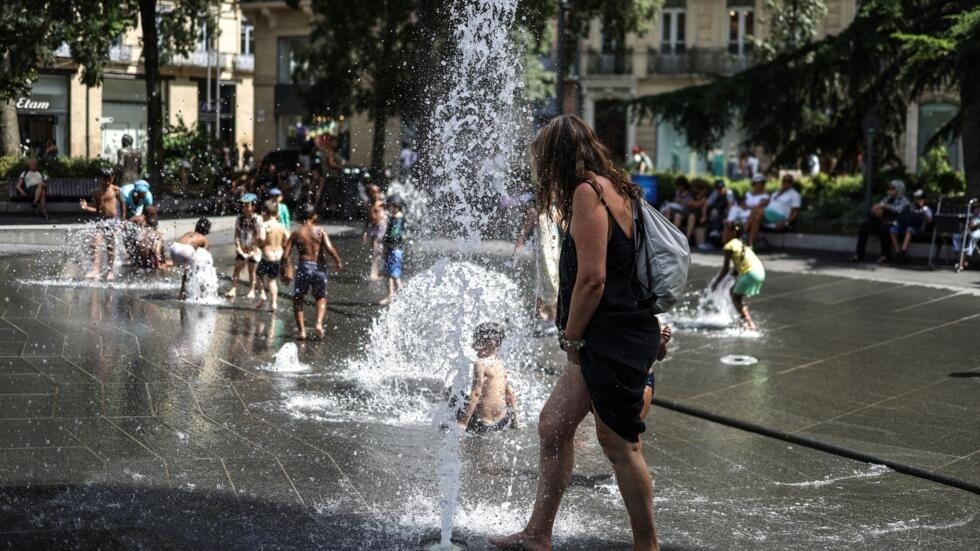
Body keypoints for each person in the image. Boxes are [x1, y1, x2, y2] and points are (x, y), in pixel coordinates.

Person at [490, 115, 662, 551]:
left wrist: (570, 337)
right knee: (553, 426)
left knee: (620, 443)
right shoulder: (615, 187)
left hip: (607, 338)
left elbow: (593, 280)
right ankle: (538, 534)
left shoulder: (589, 193)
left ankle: (648, 546)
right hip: (611, 336)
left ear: (555, 158)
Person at [282, 204, 343, 340]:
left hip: (304, 267)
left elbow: (285, 256)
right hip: (320, 268)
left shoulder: (296, 233)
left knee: (298, 299)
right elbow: (329, 248)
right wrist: (337, 261)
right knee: (320, 297)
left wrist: (284, 271)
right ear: (314, 216)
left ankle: (302, 331)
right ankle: (318, 324)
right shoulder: (320, 231)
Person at [456, 322, 520, 433]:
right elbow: (510, 394)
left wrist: (463, 423)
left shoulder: (480, 364)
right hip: (502, 421)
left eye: (476, 341)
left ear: (489, 345)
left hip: (484, 423)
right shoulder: (500, 364)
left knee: (455, 399)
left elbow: (476, 393)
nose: (473, 346)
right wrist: (516, 421)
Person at [711, 220, 765, 331]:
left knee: (735, 296)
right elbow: (736, 269)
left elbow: (725, 269)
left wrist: (716, 283)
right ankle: (744, 321)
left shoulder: (729, 246)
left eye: (725, 230)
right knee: (735, 294)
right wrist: (727, 281)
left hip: (750, 273)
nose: (723, 233)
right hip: (760, 271)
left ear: (732, 232)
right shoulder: (742, 243)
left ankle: (749, 324)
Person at [515, 198, 561, 329]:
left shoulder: (554, 211)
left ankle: (553, 314)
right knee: (542, 280)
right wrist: (520, 241)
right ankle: (543, 314)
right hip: (541, 252)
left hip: (552, 252)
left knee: (554, 280)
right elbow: (526, 228)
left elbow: (565, 225)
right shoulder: (536, 211)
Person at [79, 168, 124, 280]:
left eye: (109, 179)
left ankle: (110, 271)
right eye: (105, 180)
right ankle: (95, 270)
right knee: (95, 244)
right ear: (100, 179)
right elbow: (96, 209)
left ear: (112, 178)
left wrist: (122, 221)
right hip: (102, 221)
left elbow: (123, 205)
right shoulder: (96, 192)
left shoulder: (115, 190)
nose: (107, 182)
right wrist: (86, 208)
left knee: (110, 246)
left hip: (113, 221)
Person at [850, 179, 910, 263]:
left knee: (884, 227)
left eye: (893, 188)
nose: (890, 190)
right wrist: (876, 210)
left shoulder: (904, 201)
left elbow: (899, 210)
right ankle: (859, 254)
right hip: (881, 220)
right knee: (865, 225)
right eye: (890, 188)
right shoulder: (887, 199)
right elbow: (877, 207)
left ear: (899, 189)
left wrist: (886, 207)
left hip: (894, 223)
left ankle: (885, 255)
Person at [745, 173, 801, 247]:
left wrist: (786, 223)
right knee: (757, 218)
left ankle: (743, 233)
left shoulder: (795, 194)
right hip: (769, 214)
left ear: (792, 183)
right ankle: (750, 244)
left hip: (780, 216)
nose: (786, 183)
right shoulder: (776, 193)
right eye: (784, 180)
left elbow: (795, 212)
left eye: (788, 181)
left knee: (756, 210)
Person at [225, 194, 264, 299]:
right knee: (237, 268)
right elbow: (237, 234)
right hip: (242, 247)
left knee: (252, 271)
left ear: (254, 206)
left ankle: (251, 290)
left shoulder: (257, 219)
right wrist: (238, 246)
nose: (245, 208)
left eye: (247, 205)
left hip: (253, 249)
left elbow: (259, 236)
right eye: (243, 205)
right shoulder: (239, 218)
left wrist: (254, 250)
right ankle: (233, 289)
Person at [256, 200, 289, 312]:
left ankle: (262, 295)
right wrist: (282, 245)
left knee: (258, 275)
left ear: (265, 213)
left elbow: (261, 238)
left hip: (267, 257)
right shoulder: (281, 226)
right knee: (272, 281)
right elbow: (288, 239)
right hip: (277, 258)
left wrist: (259, 245)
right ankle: (273, 304)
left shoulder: (264, 225)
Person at [169, 218, 211, 300]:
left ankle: (182, 293)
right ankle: (202, 294)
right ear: (207, 230)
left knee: (189, 268)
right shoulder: (204, 239)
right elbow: (205, 257)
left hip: (174, 248)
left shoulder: (189, 233)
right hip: (186, 250)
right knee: (200, 268)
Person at [890, 189, 933, 263]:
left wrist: (923, 210)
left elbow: (929, 221)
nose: (917, 200)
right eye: (916, 198)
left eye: (919, 198)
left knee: (909, 230)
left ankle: (903, 252)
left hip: (918, 228)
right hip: (905, 226)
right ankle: (898, 252)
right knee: (893, 230)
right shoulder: (910, 207)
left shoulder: (926, 209)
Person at [379, 195, 406, 306]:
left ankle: (399, 296)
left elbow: (393, 234)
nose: (389, 208)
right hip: (392, 248)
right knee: (388, 274)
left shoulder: (398, 218)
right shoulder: (395, 217)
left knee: (394, 275)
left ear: (396, 206)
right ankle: (391, 296)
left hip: (395, 249)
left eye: (390, 206)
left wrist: (385, 242)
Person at [701, 179, 736, 249]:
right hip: (718, 214)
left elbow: (730, 206)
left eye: (721, 188)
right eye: (718, 188)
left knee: (724, 220)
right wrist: (704, 216)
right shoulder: (715, 193)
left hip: (729, 213)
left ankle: (725, 245)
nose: (720, 190)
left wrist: (727, 217)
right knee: (713, 214)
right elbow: (706, 205)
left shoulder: (729, 193)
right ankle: (710, 240)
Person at [363, 184, 387, 281]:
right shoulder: (368, 204)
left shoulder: (382, 203)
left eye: (377, 192)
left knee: (380, 249)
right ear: (369, 194)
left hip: (382, 227)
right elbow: (367, 219)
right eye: (373, 192)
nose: (376, 194)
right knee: (376, 250)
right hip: (374, 228)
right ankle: (376, 272)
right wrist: (365, 232)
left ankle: (379, 272)